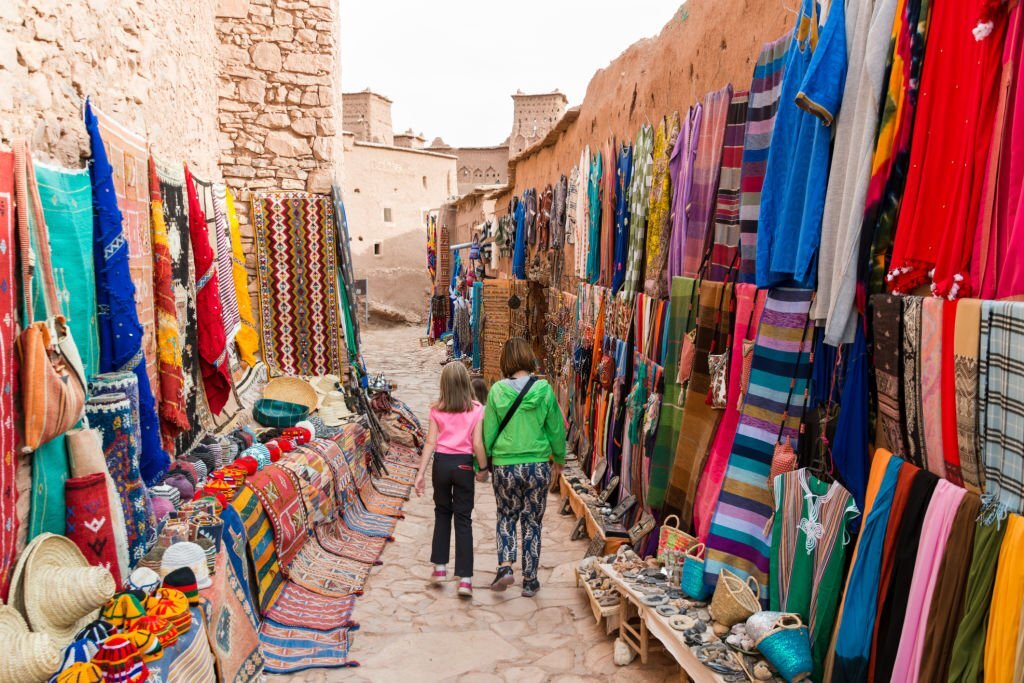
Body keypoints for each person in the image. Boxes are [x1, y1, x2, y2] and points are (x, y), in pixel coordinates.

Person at [482, 337, 566, 597]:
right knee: (532, 522)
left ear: (506, 360)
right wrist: (559, 460)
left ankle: (506, 567)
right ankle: (530, 580)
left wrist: (481, 463)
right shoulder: (544, 390)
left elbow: (488, 432)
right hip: (537, 467)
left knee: (506, 516)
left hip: (506, 466)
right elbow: (555, 428)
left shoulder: (497, 391)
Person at [414, 362, 487, 597]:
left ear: (443, 385)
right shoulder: (476, 409)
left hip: (442, 465)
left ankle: (440, 567)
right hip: (464, 464)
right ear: (466, 382)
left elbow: (430, 443)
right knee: (463, 519)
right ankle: (465, 579)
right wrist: (483, 467)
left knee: (442, 513)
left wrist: (420, 473)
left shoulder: (436, 409)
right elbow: (477, 444)